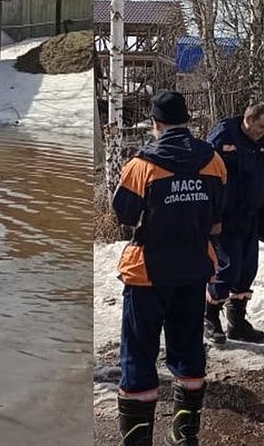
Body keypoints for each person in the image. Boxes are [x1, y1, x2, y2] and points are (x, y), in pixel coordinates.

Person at [111, 91, 226, 446]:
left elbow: (125, 216)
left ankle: (137, 439)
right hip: (193, 271)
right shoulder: (214, 162)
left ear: (155, 124)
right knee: (190, 349)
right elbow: (218, 223)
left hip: (148, 273)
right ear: (187, 121)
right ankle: (185, 436)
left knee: (139, 354)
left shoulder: (141, 165)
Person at [202, 103, 264, 344]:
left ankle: (237, 322)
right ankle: (210, 318)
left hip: (253, 215)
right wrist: (213, 217)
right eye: (261, 126)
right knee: (227, 266)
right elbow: (209, 179)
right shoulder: (223, 136)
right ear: (248, 120)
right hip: (225, 217)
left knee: (247, 268)